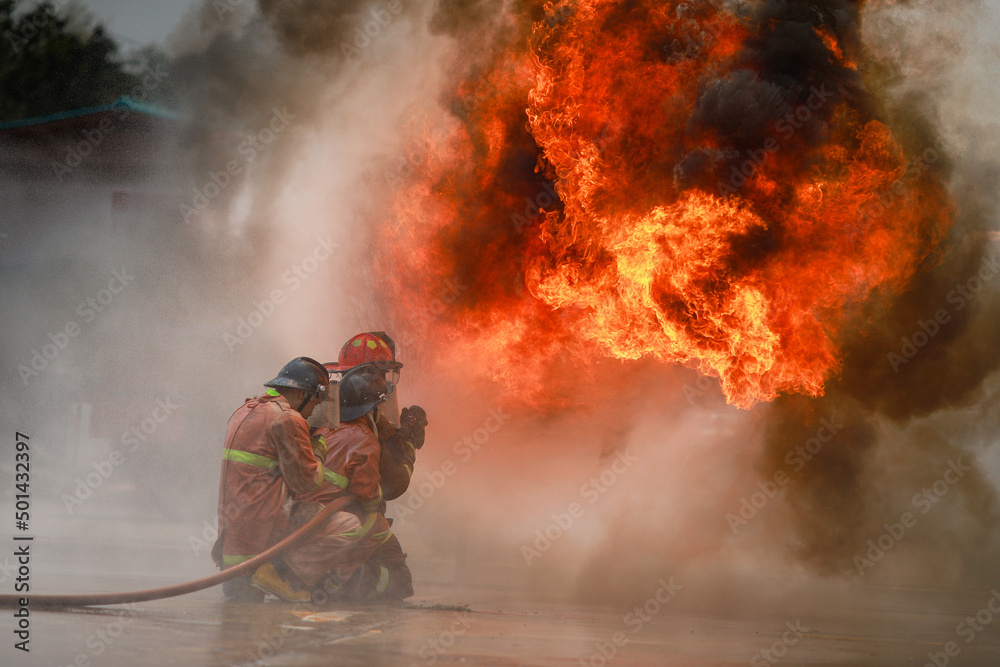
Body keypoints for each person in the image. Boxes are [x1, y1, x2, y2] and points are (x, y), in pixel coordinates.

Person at [278, 364, 414, 602]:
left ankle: (332, 577)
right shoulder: (364, 438)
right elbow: (368, 494)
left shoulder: (324, 430)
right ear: (372, 410)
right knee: (400, 581)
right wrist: (408, 449)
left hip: (307, 518)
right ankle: (338, 583)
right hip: (339, 520)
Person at [211, 356, 329, 602]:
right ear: (302, 394)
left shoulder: (243, 410)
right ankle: (284, 576)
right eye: (315, 401)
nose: (313, 411)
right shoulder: (288, 418)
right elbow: (306, 483)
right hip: (261, 548)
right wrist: (318, 449)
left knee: (242, 619)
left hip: (232, 549)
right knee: (339, 521)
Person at [326, 332, 428, 510]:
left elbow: (386, 437)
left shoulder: (329, 404)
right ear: (369, 374)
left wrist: (400, 435)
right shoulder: (364, 433)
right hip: (349, 516)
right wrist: (410, 445)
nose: (383, 380)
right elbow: (394, 485)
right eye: (382, 373)